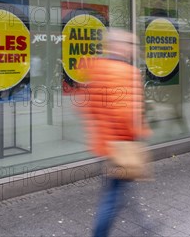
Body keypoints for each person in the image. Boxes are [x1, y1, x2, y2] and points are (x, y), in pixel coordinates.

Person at [80, 28, 151, 237]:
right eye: (130, 45)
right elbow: (126, 113)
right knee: (113, 195)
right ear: (119, 46)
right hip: (121, 146)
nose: (133, 49)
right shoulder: (127, 73)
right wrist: (141, 131)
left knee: (118, 189)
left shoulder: (96, 68)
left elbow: (86, 107)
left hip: (103, 143)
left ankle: (144, 223)